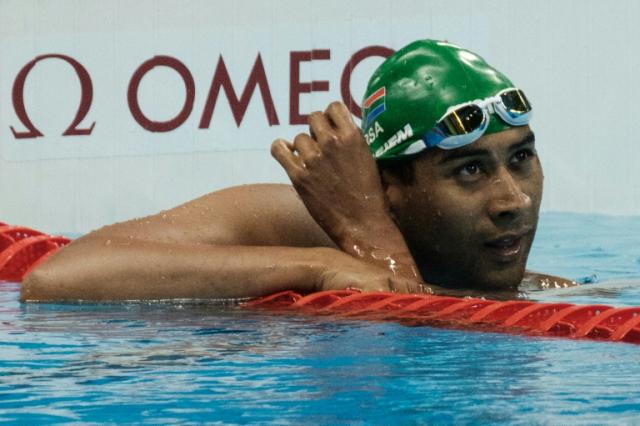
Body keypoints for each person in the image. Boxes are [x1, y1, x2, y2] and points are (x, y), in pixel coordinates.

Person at [20, 39, 575, 302]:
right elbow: (53, 279)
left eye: (521, 158)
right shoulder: (292, 223)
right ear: (391, 187)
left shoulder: (530, 287)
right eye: (470, 171)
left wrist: (372, 241)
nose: (514, 200)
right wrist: (319, 265)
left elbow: (418, 304)